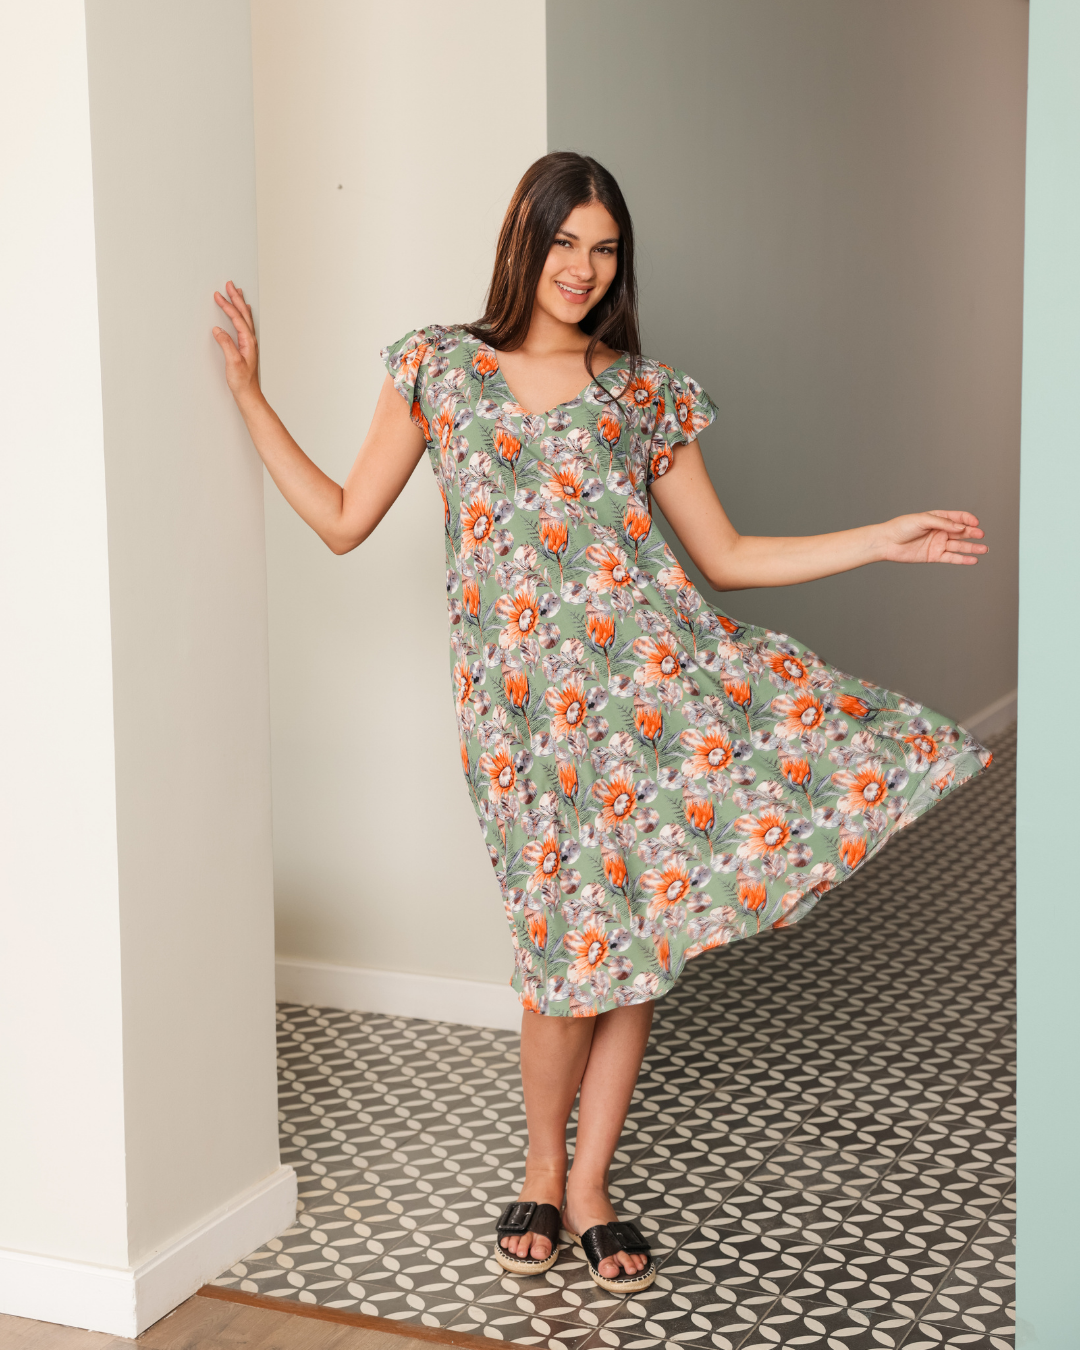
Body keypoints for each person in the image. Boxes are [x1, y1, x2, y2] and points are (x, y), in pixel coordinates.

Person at [212, 151, 991, 1295]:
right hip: (518, 719)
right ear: (523, 242)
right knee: (560, 952)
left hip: (650, 700)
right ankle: (540, 1165)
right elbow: (340, 518)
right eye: (565, 242)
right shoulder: (437, 367)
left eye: (606, 248)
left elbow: (725, 556)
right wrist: (249, 398)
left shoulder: (644, 392)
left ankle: (587, 1187)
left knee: (630, 946)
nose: (583, 268)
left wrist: (878, 538)